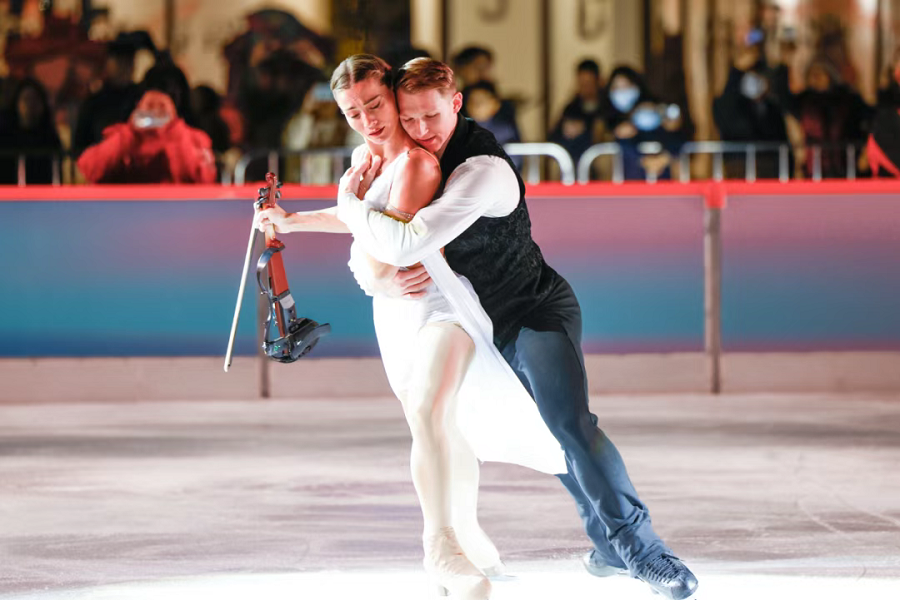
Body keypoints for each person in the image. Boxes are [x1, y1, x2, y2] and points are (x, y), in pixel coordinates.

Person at [264, 57, 699, 600]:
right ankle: (603, 542)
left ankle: (643, 550)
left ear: (457, 103)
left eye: (431, 116)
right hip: (472, 317)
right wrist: (299, 221)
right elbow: (381, 217)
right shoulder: (404, 153)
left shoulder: (482, 170)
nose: (420, 129)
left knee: (566, 422)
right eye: (408, 117)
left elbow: (401, 240)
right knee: (531, 431)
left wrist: (353, 211)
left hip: (528, 311)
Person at [257, 55, 565, 600]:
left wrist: (367, 265)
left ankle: (440, 547)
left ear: (393, 96)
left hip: (440, 301)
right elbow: (362, 217)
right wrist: (295, 220)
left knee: (429, 409)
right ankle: (465, 533)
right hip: (396, 311)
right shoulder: (364, 158)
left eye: (376, 105)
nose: (368, 120)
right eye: (353, 112)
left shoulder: (418, 164)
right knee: (439, 424)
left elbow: (386, 253)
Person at [77, 89, 216, 184]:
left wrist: (175, 133)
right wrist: (131, 133)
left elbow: (205, 177)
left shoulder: (193, 138)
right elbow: (89, 169)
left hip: (177, 212)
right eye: (150, 107)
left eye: (161, 108)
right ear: (138, 108)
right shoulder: (121, 136)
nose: (155, 112)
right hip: (129, 210)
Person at [782, 59, 871, 179]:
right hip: (813, 168)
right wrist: (785, 67)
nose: (816, 78)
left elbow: (869, 120)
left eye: (820, 73)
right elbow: (784, 102)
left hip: (845, 166)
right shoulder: (804, 100)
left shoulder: (849, 100)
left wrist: (865, 152)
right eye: (812, 74)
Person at [713, 46, 791, 179]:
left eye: (758, 74)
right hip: (739, 164)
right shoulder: (730, 104)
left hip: (770, 167)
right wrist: (737, 72)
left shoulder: (772, 108)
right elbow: (728, 118)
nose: (755, 80)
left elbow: (782, 139)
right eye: (749, 74)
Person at [604, 66, 685, 181]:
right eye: (617, 87)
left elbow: (677, 141)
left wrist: (663, 159)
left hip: (663, 180)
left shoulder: (653, 111)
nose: (622, 92)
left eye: (626, 86)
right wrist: (643, 160)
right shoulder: (611, 119)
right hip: (631, 182)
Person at [72, 33, 144, 156]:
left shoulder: (141, 98)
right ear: (108, 64)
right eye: (120, 62)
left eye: (128, 62)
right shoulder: (95, 102)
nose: (124, 68)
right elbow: (80, 144)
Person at [0, 78, 63, 184]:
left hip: (42, 190)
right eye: (26, 99)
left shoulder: (49, 137)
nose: (31, 104)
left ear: (42, 105)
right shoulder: (5, 137)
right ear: (17, 103)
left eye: (35, 99)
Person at [549, 59, 606, 167]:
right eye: (581, 83)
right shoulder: (572, 107)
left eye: (588, 83)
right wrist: (566, 130)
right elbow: (553, 136)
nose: (585, 88)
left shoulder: (607, 106)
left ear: (598, 81)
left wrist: (587, 128)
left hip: (595, 159)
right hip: (572, 159)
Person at [462, 80, 522, 170]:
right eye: (472, 100)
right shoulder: (461, 129)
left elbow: (514, 161)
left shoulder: (505, 131)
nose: (477, 105)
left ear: (495, 104)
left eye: (482, 100)